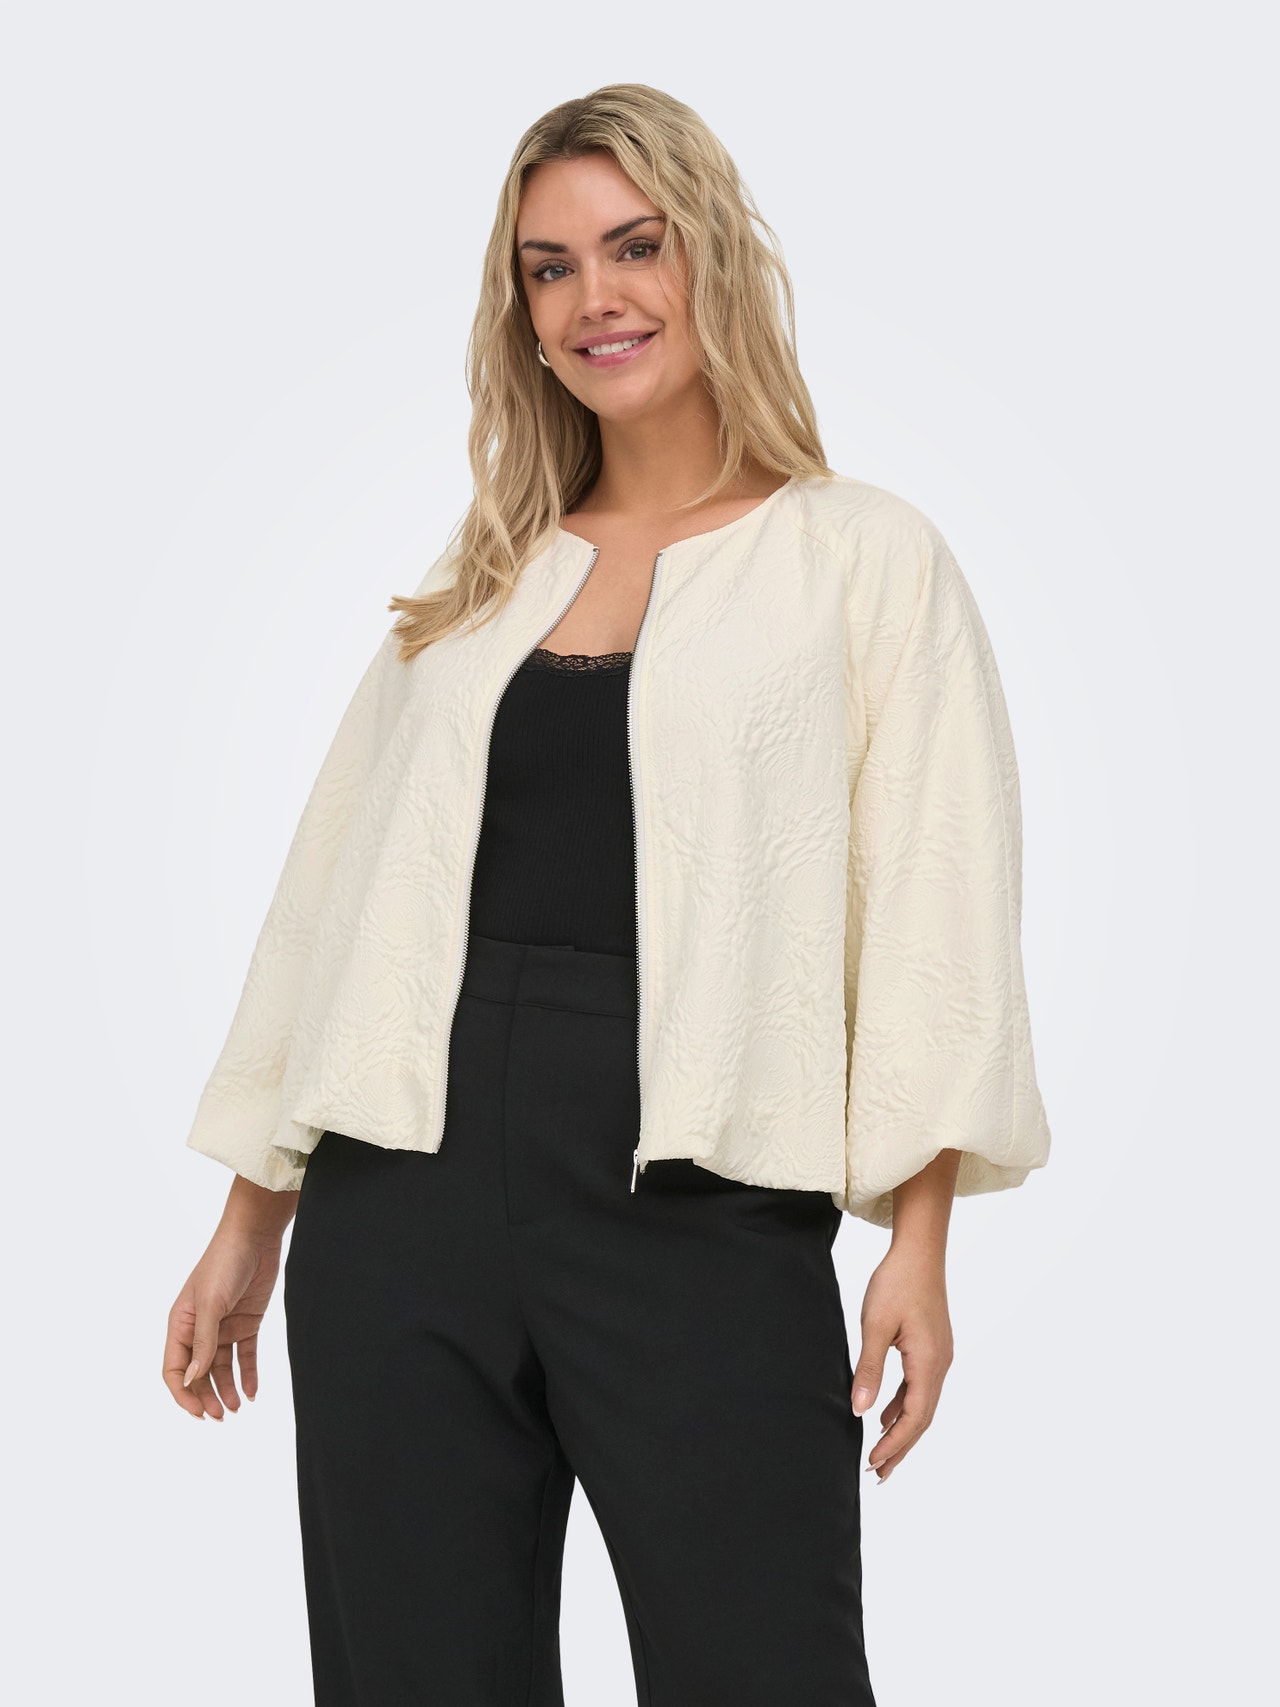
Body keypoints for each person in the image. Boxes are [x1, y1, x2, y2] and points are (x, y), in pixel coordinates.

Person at [163, 82, 1051, 1707]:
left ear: (712, 256)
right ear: (521, 312)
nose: (596, 298)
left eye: (635, 247)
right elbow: (337, 899)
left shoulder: (863, 559)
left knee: (764, 1666)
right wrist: (250, 1218)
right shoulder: (491, 574)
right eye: (550, 268)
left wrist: (919, 1244)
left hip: (702, 1199)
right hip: (403, 1194)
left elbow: (939, 910)